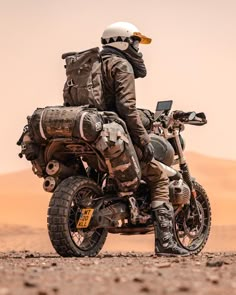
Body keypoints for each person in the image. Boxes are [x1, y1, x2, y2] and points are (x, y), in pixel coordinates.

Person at [99, 22, 189, 256]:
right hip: (115, 136)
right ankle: (166, 243)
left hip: (94, 135)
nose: (137, 48)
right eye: (135, 42)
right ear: (122, 41)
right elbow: (127, 109)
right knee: (159, 177)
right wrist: (142, 140)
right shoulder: (121, 65)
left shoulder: (88, 66)